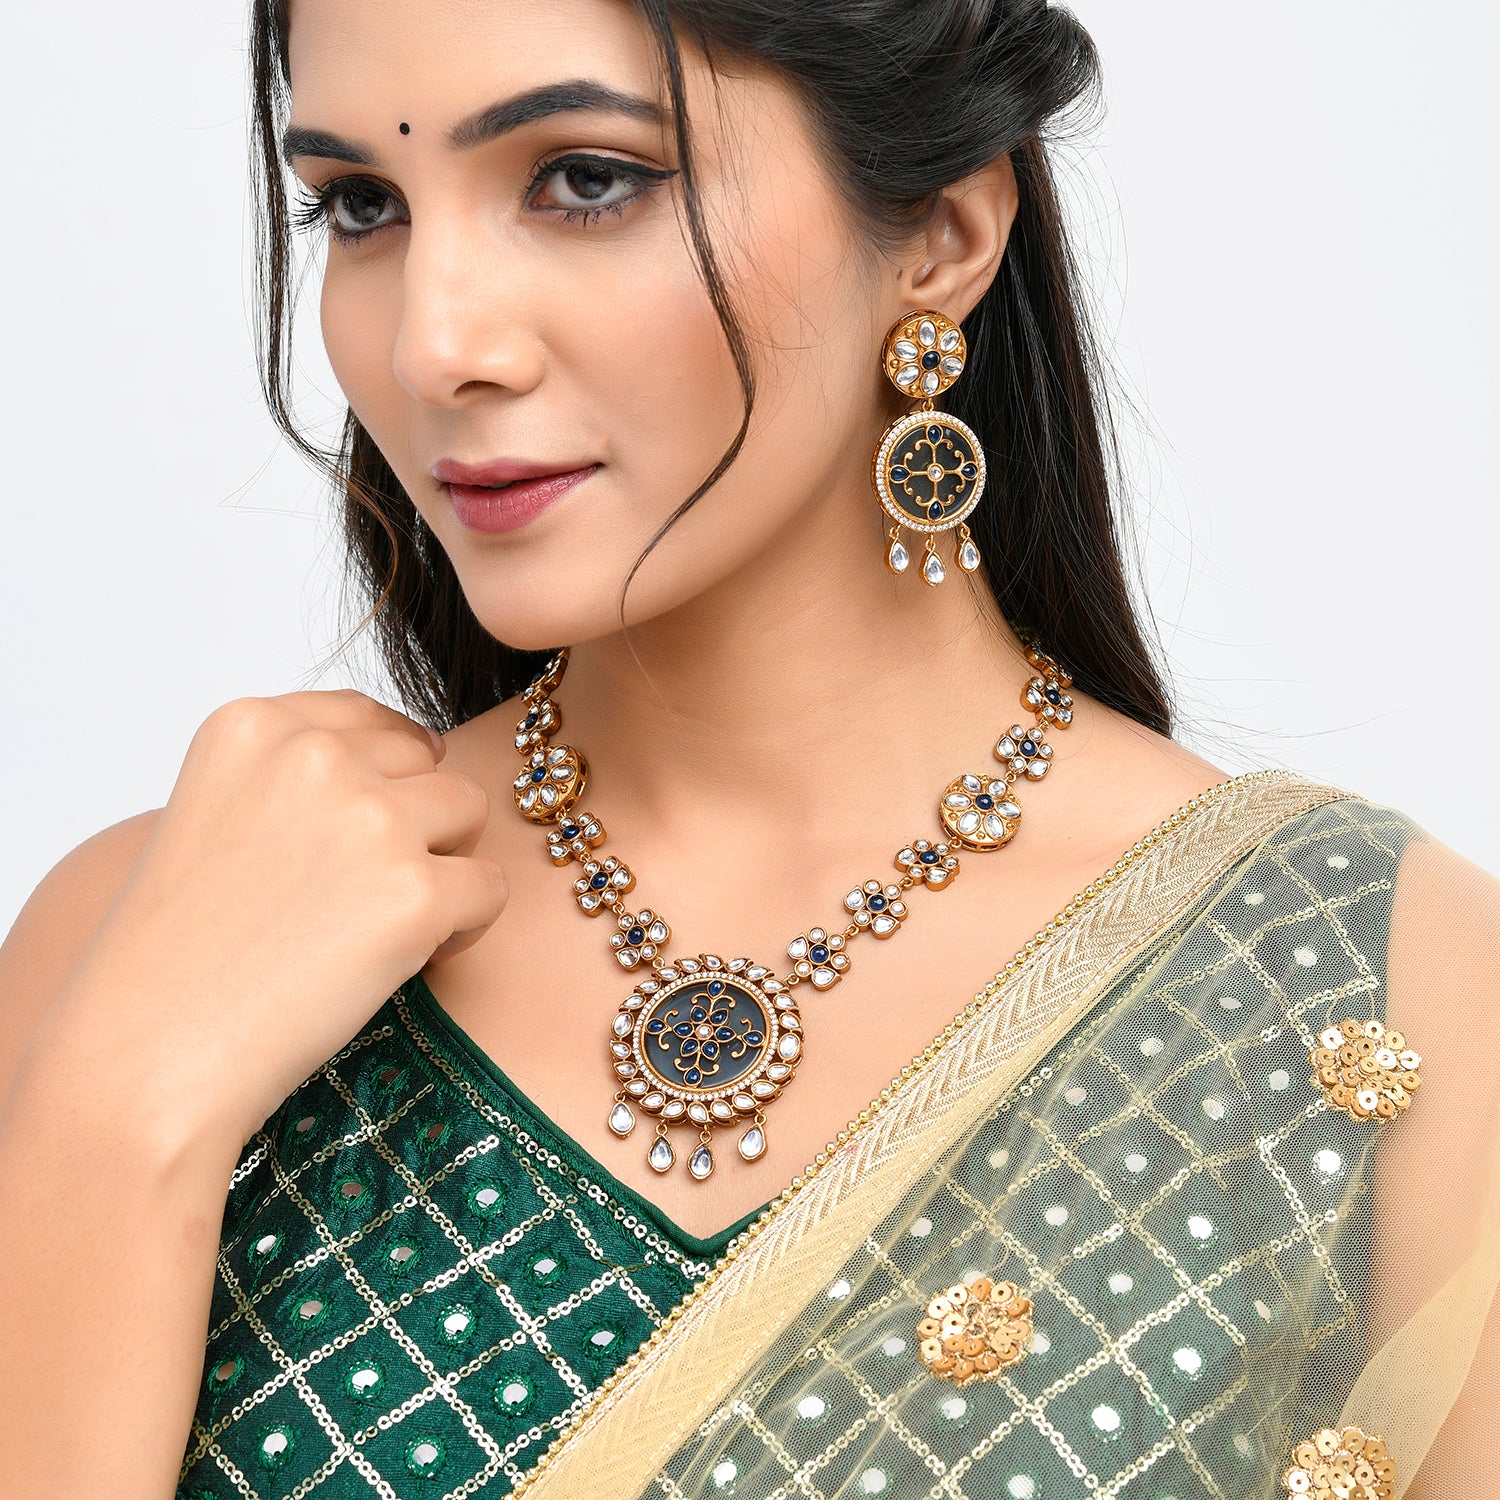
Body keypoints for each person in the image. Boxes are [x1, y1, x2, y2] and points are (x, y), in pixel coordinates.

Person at [1, 1, 1496, 1496]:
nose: (432, 344)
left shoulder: (1368, 987)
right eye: (362, 206)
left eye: (586, 180)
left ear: (944, 235)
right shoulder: (151, 948)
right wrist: (120, 1125)